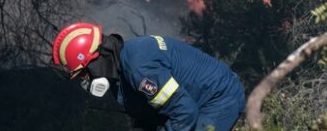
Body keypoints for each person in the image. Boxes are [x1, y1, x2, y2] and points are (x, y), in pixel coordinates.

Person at [52, 22, 246, 131]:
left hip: (218, 100)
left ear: (95, 60)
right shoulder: (119, 76)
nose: (85, 81)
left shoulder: (139, 68)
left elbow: (185, 113)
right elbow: (149, 115)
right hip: (195, 104)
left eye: (83, 74)